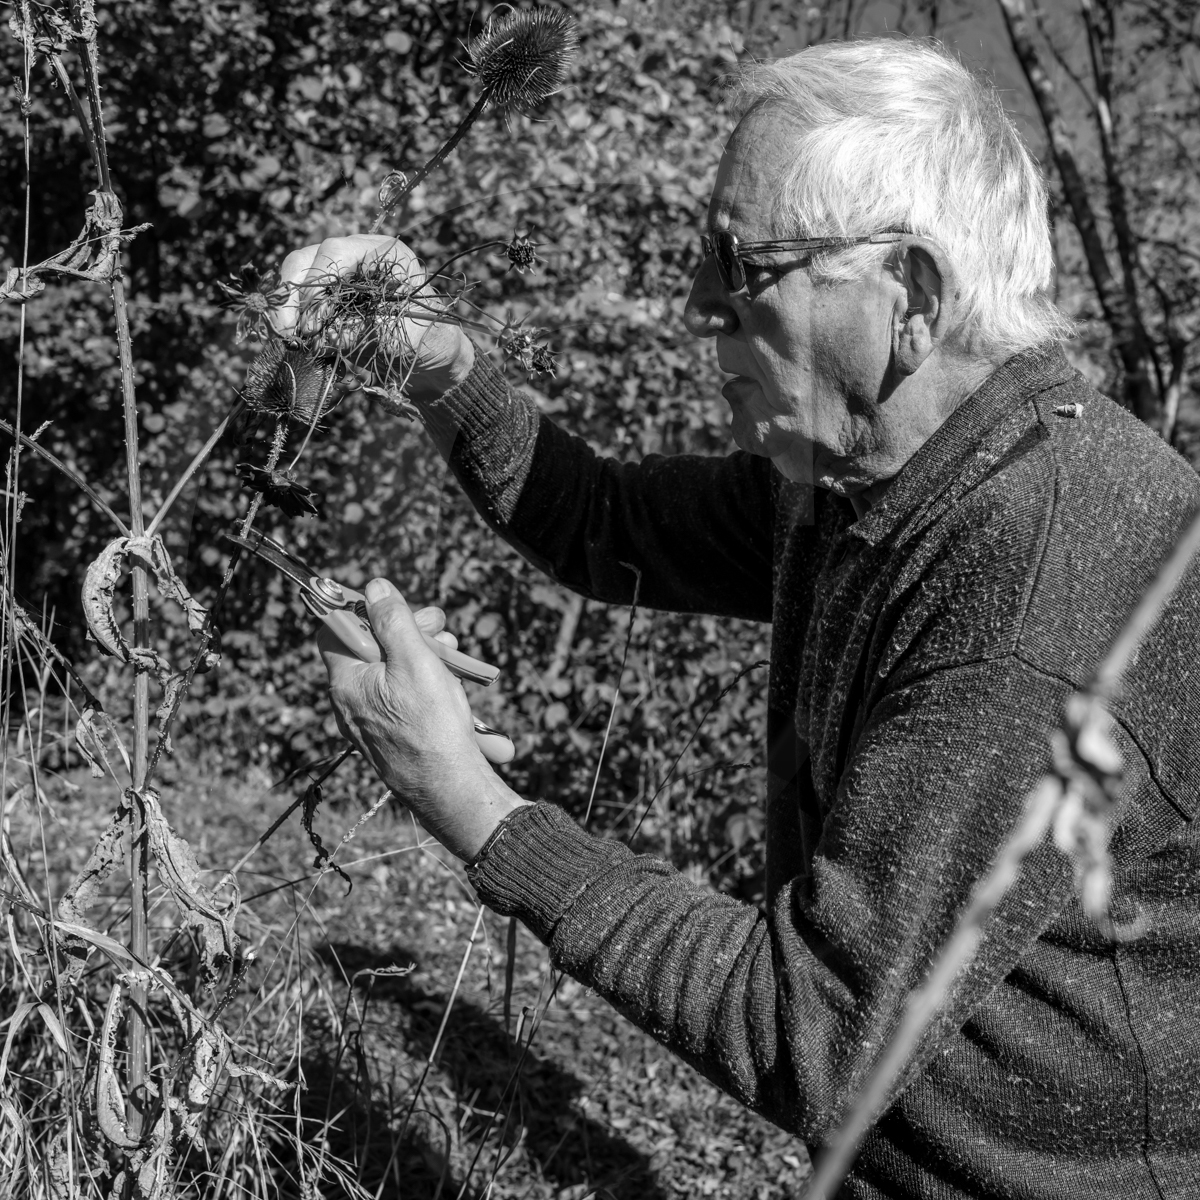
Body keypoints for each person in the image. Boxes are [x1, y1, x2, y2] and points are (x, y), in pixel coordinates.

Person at [275, 38, 1200, 1200]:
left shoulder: (1030, 577)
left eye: (737, 261)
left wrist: (467, 799)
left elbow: (811, 1026)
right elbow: (602, 521)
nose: (697, 303)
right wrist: (431, 355)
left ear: (906, 296)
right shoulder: (862, 472)